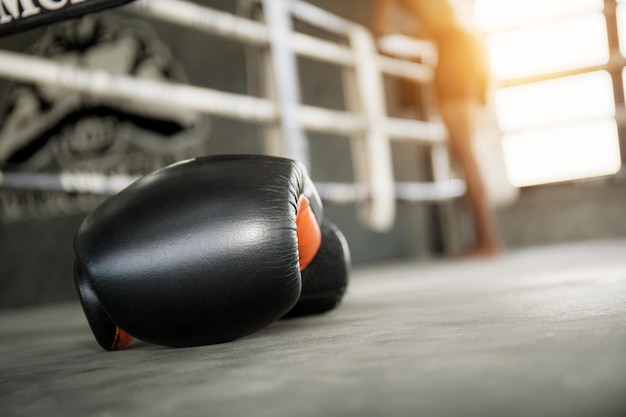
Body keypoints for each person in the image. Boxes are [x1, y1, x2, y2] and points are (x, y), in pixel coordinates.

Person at [371, 0, 501, 257]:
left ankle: (487, 241)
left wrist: (403, 45)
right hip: (470, 45)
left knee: (463, 150)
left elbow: (379, 30)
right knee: (464, 150)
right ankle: (484, 239)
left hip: (452, 48)